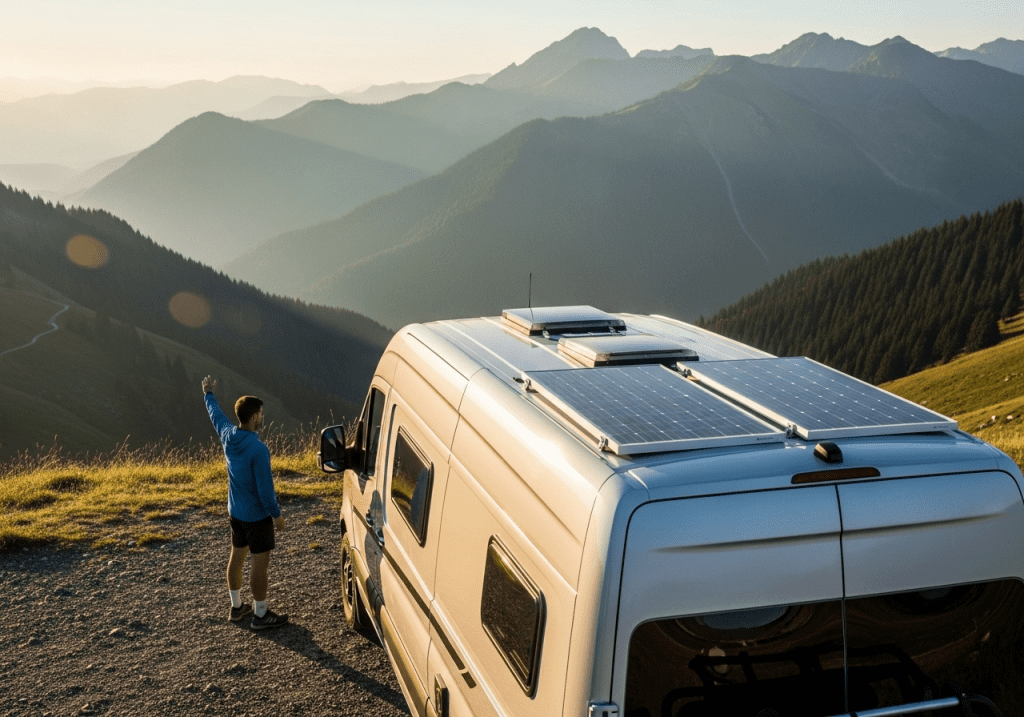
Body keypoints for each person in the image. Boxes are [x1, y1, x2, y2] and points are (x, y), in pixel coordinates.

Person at [202, 375, 288, 630]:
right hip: (257, 516)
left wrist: (208, 393)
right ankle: (261, 615)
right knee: (259, 566)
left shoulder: (228, 435)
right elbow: (265, 491)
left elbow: (215, 414)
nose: (262, 417)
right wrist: (277, 515)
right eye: (260, 414)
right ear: (253, 418)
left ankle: (237, 606)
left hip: (235, 513)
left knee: (237, 557)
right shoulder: (258, 450)